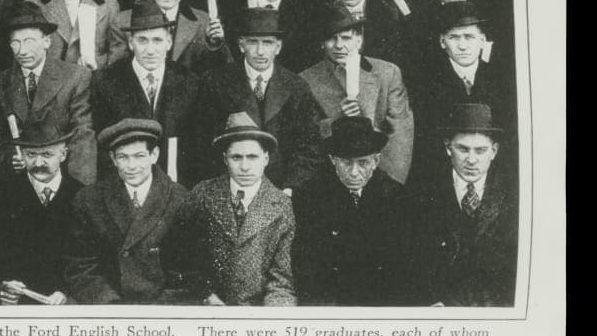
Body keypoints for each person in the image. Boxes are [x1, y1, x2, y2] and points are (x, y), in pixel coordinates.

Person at [64, 118, 204, 304]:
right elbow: (80, 267)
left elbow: (189, 272)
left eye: (139, 156)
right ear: (113, 159)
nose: (131, 166)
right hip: (109, 308)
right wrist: (110, 305)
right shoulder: (89, 200)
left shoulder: (180, 199)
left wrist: (157, 312)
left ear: (154, 155)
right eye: (123, 157)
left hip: (161, 310)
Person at [191, 8, 322, 194]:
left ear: (278, 47)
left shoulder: (296, 87)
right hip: (228, 189)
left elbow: (308, 148)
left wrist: (289, 187)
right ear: (241, 45)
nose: (260, 51)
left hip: (281, 190)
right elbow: (201, 144)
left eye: (267, 43)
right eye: (253, 42)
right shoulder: (215, 83)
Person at [291, 116, 413, 306]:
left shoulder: (397, 197)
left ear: (376, 161)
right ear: (333, 160)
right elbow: (307, 268)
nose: (354, 172)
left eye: (363, 162)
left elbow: (402, 268)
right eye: (346, 163)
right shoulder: (309, 197)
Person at [412, 103, 516, 306]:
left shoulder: (513, 198)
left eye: (481, 150)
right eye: (463, 149)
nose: (471, 160)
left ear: (494, 151)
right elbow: (414, 264)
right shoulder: (423, 196)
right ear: (448, 147)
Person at [299, 2, 415, 184]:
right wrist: (338, 119)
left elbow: (400, 130)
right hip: (331, 175)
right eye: (331, 38)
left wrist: (390, 181)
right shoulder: (307, 79)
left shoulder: (387, 72)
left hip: (381, 172)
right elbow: (305, 133)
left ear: (359, 40)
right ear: (322, 43)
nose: (339, 45)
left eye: (346, 38)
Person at [191, 112, 297, 306]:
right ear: (225, 159)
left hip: (257, 310)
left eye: (253, 157)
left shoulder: (281, 206)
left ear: (266, 159)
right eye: (236, 157)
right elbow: (185, 257)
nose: (245, 166)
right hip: (209, 307)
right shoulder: (203, 195)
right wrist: (205, 295)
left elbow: (282, 280)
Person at [92, 0, 203, 184]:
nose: (150, 50)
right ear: (130, 42)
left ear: (168, 42)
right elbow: (102, 146)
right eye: (142, 40)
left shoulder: (190, 82)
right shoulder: (105, 81)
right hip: (124, 183)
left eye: (157, 40)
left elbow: (195, 146)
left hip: (175, 185)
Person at [0, 3, 96, 187]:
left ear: (47, 42)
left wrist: (80, 190)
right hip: (19, 182)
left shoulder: (75, 77)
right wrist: (10, 157)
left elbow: (82, 137)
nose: (22, 51)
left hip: (63, 179)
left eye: (29, 41)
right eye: (15, 43)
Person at [407, 1, 514, 180]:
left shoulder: (502, 80)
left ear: (482, 40)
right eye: (454, 37)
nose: (462, 46)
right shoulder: (425, 83)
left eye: (469, 37)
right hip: (439, 176)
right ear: (442, 42)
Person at [0, 121, 85, 305]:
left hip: (65, 306)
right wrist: (2, 286)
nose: (39, 163)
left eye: (47, 154)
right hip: (15, 305)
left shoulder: (83, 196)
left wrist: (68, 295)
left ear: (63, 154)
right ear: (22, 155)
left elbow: (90, 260)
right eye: (31, 155)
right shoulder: (1, 194)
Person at [109, 0, 231, 75]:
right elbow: (115, 73)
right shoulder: (123, 21)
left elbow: (219, 72)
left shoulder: (203, 21)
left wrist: (215, 44)